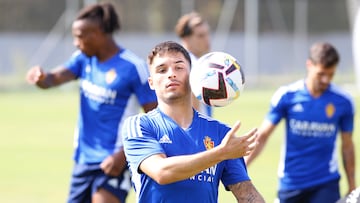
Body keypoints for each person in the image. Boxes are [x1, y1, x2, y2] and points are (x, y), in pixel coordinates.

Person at [25, 3, 157, 203]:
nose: (75, 43)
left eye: (80, 36)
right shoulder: (83, 60)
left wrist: (123, 155)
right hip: (83, 159)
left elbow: (154, 118)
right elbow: (54, 78)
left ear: (99, 33)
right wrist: (41, 78)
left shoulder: (133, 67)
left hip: (115, 159)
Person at [121, 41, 265, 203]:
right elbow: (161, 172)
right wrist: (221, 153)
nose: (171, 74)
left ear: (193, 76)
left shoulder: (221, 134)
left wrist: (223, 151)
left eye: (179, 67)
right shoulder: (139, 126)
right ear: (151, 83)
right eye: (162, 70)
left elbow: (247, 195)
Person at [245, 42, 356, 203]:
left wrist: (352, 185)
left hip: (326, 182)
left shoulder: (343, 101)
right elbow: (262, 136)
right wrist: (241, 169)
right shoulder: (287, 96)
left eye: (331, 75)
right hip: (291, 183)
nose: (326, 80)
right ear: (309, 65)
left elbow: (347, 145)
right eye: (321, 74)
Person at [175, 12, 213, 117]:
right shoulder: (190, 64)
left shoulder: (192, 61)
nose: (207, 39)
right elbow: (192, 112)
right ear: (186, 38)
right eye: (200, 35)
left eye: (207, 34)